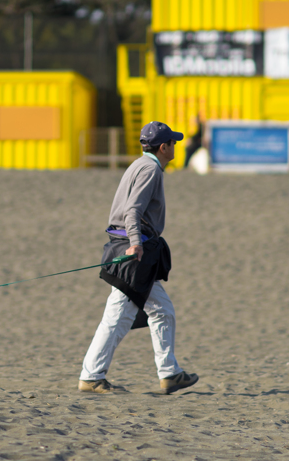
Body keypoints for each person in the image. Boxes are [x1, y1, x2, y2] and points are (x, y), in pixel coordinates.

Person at [78, 121, 200, 396]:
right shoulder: (150, 169)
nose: (175, 147)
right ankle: (91, 376)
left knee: (161, 311)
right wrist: (135, 244)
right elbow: (132, 210)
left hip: (129, 246)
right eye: (172, 143)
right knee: (118, 316)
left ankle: (170, 374)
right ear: (163, 146)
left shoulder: (138, 164)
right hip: (133, 250)